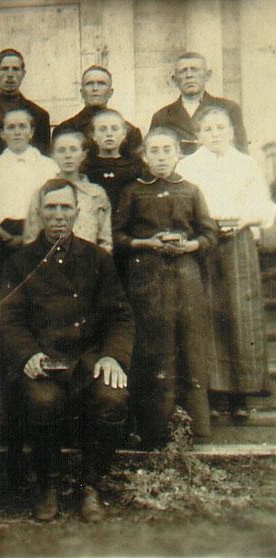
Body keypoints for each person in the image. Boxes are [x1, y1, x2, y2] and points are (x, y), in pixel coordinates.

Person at [0, 179, 134, 522]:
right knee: (43, 402)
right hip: (43, 360)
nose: (58, 215)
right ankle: (47, 485)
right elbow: (8, 317)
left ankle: (91, 486)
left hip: (88, 358)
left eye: (65, 208)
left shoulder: (97, 258)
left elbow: (120, 315)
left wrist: (112, 356)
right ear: (40, 213)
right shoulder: (20, 262)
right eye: (51, 208)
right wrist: (26, 354)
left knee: (113, 399)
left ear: (76, 211)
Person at [113, 127, 218, 448]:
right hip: (147, 278)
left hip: (185, 279)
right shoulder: (133, 191)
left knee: (189, 345)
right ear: (144, 156)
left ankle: (194, 429)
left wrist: (190, 246)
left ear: (178, 154)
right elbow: (118, 236)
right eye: (154, 151)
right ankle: (154, 431)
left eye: (167, 150)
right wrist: (146, 242)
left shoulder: (191, 190)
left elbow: (209, 233)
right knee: (151, 348)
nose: (160, 157)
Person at [177, 106, 275, 418]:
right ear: (198, 135)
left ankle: (241, 393)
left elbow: (263, 204)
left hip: (239, 241)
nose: (215, 134)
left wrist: (245, 221)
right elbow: (183, 205)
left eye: (221, 128)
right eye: (208, 129)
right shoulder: (188, 166)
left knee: (239, 311)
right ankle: (215, 391)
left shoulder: (246, 164)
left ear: (232, 131)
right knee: (208, 310)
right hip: (204, 242)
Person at [0, 108, 59, 289]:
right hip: (1, 238)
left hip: (39, 236)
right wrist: (5, 237)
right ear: (2, 134)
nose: (17, 132)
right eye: (11, 127)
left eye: (22, 126)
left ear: (31, 132)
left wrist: (30, 236)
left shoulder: (49, 166)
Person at [24, 131, 112, 252]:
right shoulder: (42, 192)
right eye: (61, 150)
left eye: (73, 149)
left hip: (88, 263)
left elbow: (105, 240)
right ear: (52, 155)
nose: (68, 156)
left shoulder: (96, 194)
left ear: (83, 155)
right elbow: (31, 237)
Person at [150, 52, 248, 156]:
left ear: (207, 75)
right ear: (174, 79)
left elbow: (241, 151)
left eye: (195, 69)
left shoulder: (228, 109)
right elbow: (153, 155)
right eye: (183, 71)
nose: (189, 75)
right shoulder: (161, 116)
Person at [54, 66, 142, 158]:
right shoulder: (65, 129)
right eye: (89, 84)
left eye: (101, 83)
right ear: (82, 92)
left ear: (110, 92)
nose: (95, 88)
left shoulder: (130, 132)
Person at [0, 49, 50, 159]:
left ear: (23, 74)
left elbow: (42, 157)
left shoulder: (40, 115)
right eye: (4, 69)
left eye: (15, 69)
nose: (10, 75)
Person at [82, 109, 144, 212]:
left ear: (124, 133)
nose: (109, 134)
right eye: (102, 129)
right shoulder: (86, 168)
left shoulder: (134, 168)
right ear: (93, 135)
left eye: (114, 129)